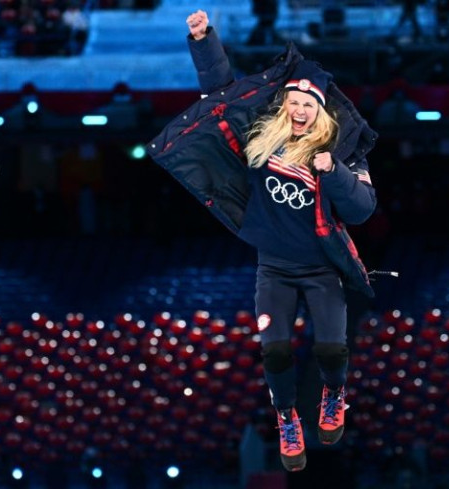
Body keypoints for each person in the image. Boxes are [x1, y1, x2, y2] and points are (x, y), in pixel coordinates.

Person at [147, 9, 379, 472]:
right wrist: (204, 40)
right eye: (294, 100)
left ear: (321, 112)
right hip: (273, 267)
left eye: (309, 104)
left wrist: (332, 173)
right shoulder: (261, 138)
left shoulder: (343, 153)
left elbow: (363, 210)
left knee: (331, 350)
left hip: (321, 269)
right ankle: (287, 418)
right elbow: (220, 97)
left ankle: (334, 394)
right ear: (285, 103)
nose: (299, 109)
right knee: (273, 350)